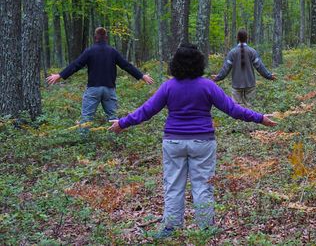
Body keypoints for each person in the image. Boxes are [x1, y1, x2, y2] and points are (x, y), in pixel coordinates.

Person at [108, 43, 276, 239]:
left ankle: (171, 228)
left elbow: (147, 110)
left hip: (174, 143)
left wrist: (122, 123)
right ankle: (205, 229)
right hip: (203, 142)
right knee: (203, 185)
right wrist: (260, 117)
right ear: (199, 63)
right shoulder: (207, 86)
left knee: (173, 185)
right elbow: (233, 109)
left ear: (175, 64)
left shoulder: (168, 86)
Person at [46, 27, 154, 129]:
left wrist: (60, 75)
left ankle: (83, 141)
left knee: (86, 118)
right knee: (113, 118)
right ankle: (114, 140)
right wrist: (142, 76)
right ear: (106, 37)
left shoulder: (90, 51)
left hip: (93, 89)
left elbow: (76, 65)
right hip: (109, 90)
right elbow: (126, 66)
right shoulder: (113, 52)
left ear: (95, 37)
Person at [212, 29, 275, 108]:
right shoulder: (252, 51)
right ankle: (248, 120)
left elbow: (226, 68)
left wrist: (218, 77)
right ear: (247, 38)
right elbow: (259, 66)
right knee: (250, 108)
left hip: (236, 85)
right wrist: (269, 76)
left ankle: (237, 120)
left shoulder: (232, 52)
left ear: (237, 38)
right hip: (250, 84)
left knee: (236, 108)